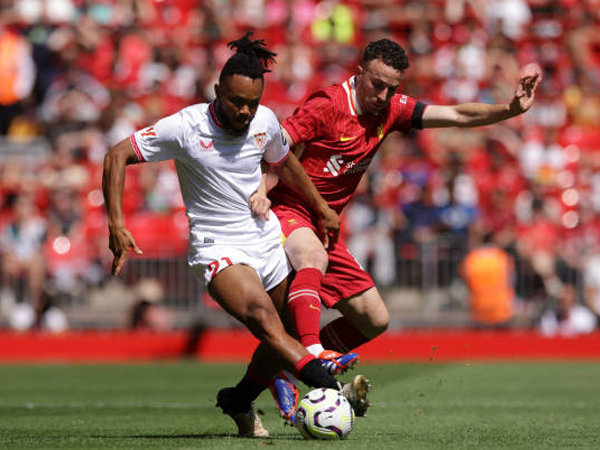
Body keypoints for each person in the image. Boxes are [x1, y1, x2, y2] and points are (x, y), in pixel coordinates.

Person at [102, 33, 369, 438]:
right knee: (264, 320)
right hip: (217, 245)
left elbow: (283, 162)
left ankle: (238, 400)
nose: (245, 111)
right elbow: (116, 154)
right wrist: (117, 224)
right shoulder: (185, 127)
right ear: (217, 91)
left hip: (263, 238)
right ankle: (332, 388)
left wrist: (321, 208)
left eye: (252, 103)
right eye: (236, 101)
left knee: (288, 329)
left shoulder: (264, 121)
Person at [267, 38, 542, 417]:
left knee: (375, 319)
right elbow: (274, 148)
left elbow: (458, 115)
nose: (383, 95)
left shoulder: (392, 110)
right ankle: (312, 356)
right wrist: (257, 192)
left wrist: (510, 109)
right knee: (311, 254)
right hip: (290, 210)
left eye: (391, 88)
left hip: (325, 225)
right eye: (376, 84)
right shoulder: (326, 106)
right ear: (359, 72)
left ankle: (285, 365)